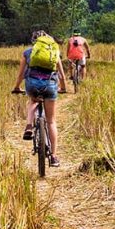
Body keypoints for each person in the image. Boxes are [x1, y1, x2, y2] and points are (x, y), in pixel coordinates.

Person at [11, 30, 67, 167]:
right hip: (50, 85)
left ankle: (29, 126)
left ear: (34, 41)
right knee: (51, 121)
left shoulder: (28, 53)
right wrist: (63, 88)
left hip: (32, 85)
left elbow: (21, 75)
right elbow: (62, 76)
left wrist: (17, 87)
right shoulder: (54, 51)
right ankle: (53, 156)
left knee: (32, 101)